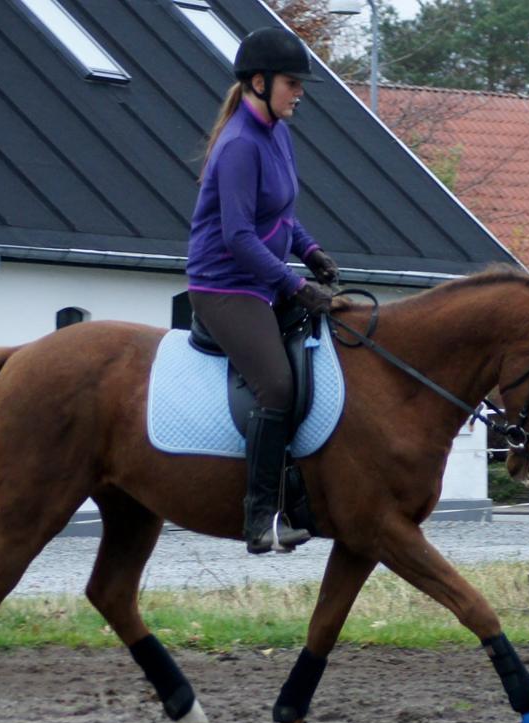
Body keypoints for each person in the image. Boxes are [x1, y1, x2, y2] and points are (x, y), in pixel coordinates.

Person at [186, 27, 339, 554]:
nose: (300, 92)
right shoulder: (238, 146)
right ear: (258, 81)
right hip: (224, 285)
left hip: (262, 281)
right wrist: (294, 285)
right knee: (276, 385)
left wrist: (311, 251)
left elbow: (282, 215)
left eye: (300, 84)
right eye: (292, 83)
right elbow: (238, 236)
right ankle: (260, 518)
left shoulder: (278, 133)